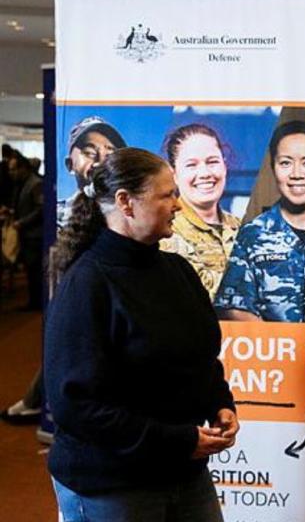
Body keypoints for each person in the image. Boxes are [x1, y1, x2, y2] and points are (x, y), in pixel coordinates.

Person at [44, 148, 238, 521]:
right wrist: (177, 441)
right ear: (125, 202)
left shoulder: (178, 270)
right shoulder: (87, 283)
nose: (178, 205)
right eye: (167, 195)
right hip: (112, 483)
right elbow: (76, 406)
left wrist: (220, 403)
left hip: (183, 471)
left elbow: (201, 359)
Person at [214, 120, 305, 349]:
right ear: (273, 168)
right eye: (286, 163)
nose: (297, 174)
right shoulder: (250, 236)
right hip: (273, 360)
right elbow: (234, 307)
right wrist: (288, 347)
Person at [159, 123, 241, 300]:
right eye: (191, 165)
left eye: (212, 162)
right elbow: (200, 293)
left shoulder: (244, 228)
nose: (204, 173)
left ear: (224, 166)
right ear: (174, 174)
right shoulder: (164, 232)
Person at [57, 116, 127, 228]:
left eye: (110, 155)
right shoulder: (56, 214)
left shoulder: (133, 213)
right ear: (70, 164)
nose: (100, 161)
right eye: (90, 153)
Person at [6, 151, 43, 310]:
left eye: (13, 169)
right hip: (26, 234)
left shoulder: (35, 183)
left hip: (34, 235)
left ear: (23, 168)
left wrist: (22, 222)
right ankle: (34, 301)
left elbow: (40, 209)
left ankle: (37, 302)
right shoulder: (21, 184)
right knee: (30, 270)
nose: (11, 173)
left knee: (35, 270)